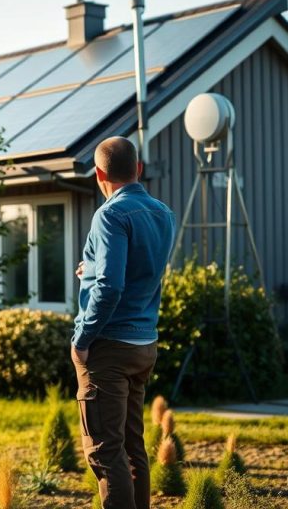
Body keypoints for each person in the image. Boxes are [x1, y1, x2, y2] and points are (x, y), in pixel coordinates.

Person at [72, 137, 176, 509]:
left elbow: (112, 285)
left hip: (109, 348)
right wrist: (93, 270)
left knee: (105, 450)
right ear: (139, 169)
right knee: (133, 447)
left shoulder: (110, 214)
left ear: (100, 173)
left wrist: (82, 338)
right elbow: (138, 272)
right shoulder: (164, 213)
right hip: (143, 344)